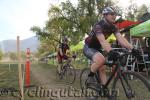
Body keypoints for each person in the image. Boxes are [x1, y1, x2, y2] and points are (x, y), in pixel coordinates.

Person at [83, 7, 141, 88]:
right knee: (101, 60)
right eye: (112, 14)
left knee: (102, 68)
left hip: (98, 48)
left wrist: (132, 48)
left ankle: (104, 88)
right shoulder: (98, 25)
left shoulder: (113, 26)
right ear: (105, 15)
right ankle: (90, 77)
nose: (114, 16)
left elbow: (121, 39)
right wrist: (110, 51)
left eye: (115, 14)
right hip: (89, 47)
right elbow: (102, 41)